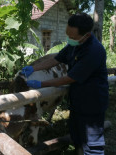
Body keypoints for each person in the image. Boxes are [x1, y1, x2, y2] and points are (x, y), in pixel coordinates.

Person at [21, 13, 108, 154]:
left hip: (93, 101)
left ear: (86, 35)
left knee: (93, 142)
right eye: (68, 35)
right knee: (77, 135)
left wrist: (42, 84)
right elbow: (57, 58)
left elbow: (69, 78)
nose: (69, 39)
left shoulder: (94, 51)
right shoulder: (75, 44)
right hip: (78, 99)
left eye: (72, 37)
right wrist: (33, 68)